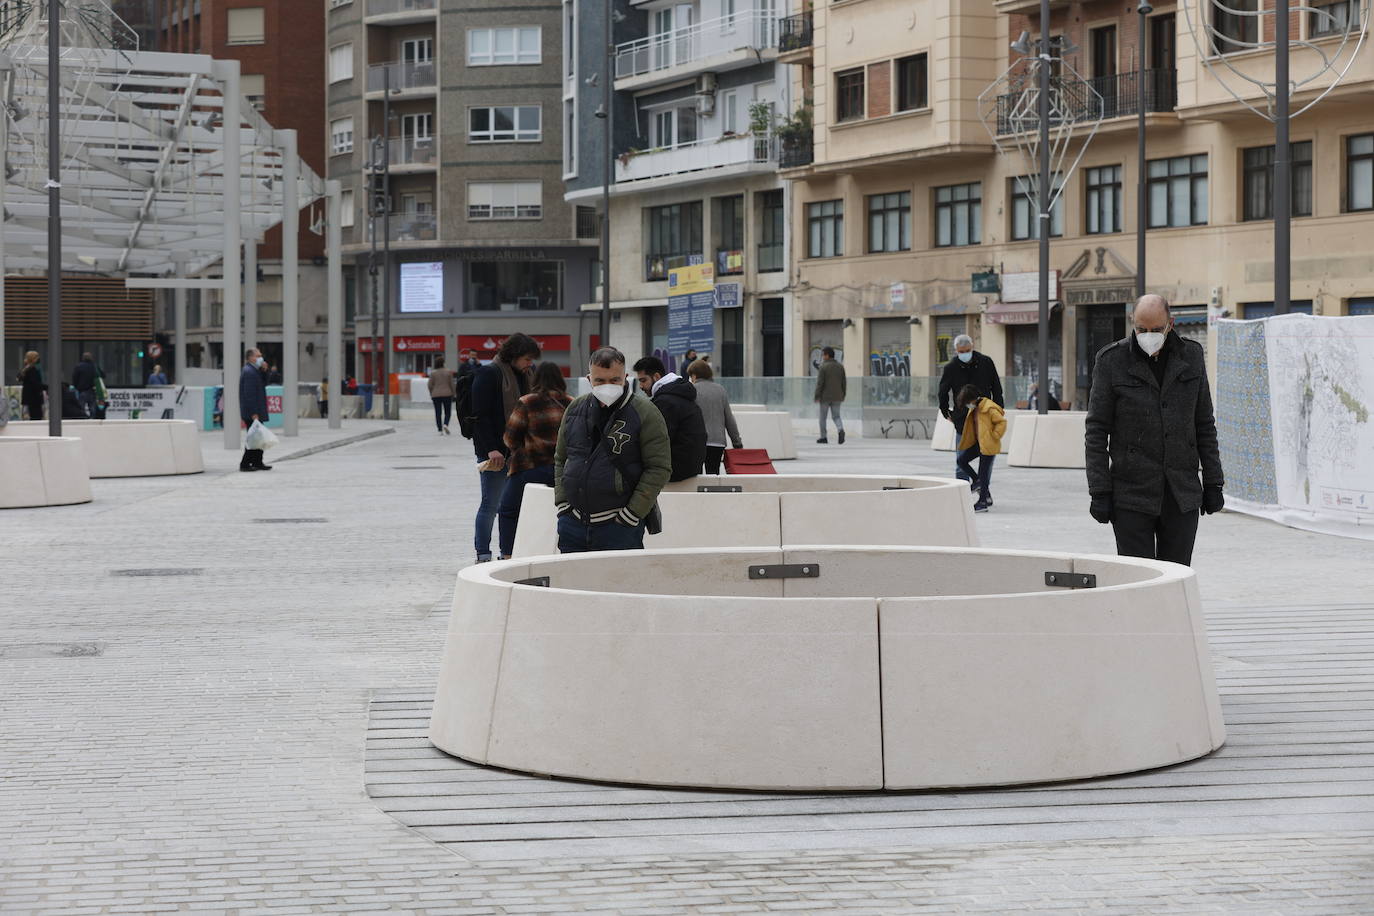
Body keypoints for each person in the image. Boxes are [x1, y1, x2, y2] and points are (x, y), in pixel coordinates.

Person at [1085, 294, 1224, 566]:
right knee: (1138, 577)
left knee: (1176, 576)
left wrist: (1213, 482)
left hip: (1181, 493)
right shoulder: (1111, 361)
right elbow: (1096, 431)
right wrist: (1099, 491)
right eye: (1141, 329)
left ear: (1170, 324)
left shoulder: (1192, 356)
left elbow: (1204, 423)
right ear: (1132, 324)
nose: (1148, 336)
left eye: (1156, 330)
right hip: (1131, 494)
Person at [554, 347, 672, 553]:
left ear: (625, 378)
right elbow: (561, 459)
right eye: (600, 381)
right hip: (573, 524)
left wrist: (631, 514)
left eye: (614, 380)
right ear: (589, 379)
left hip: (620, 528)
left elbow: (659, 468)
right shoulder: (575, 409)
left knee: (618, 584)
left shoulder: (646, 413)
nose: (607, 386)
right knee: (571, 584)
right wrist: (563, 505)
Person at [471, 332, 541, 562]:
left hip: (522, 452)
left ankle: (508, 552)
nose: (530, 364)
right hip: (495, 452)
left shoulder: (526, 375)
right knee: (491, 503)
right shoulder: (489, 373)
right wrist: (492, 448)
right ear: (515, 355)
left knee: (512, 505)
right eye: (527, 359)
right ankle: (483, 553)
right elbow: (480, 416)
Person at [496, 362, 574, 559]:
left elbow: (510, 438)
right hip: (563, 471)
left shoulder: (527, 402)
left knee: (507, 510)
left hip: (530, 468)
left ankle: (508, 555)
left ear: (535, 378)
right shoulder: (571, 403)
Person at [938, 334, 1005, 481]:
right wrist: (945, 412)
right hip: (962, 419)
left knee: (986, 459)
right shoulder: (951, 368)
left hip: (985, 417)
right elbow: (943, 391)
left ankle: (983, 492)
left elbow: (996, 387)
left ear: (972, 347)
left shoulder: (986, 362)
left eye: (967, 350)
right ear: (956, 350)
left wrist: (999, 409)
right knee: (961, 459)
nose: (964, 354)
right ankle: (962, 491)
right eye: (961, 352)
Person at [633, 355, 707, 482]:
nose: (640, 386)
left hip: (675, 470)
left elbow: (657, 440)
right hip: (692, 467)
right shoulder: (679, 395)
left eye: (643, 380)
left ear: (656, 377)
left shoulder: (665, 402)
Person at [955, 383, 1007, 513]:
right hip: (979, 443)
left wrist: (994, 436)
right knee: (961, 460)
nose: (968, 404)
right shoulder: (976, 408)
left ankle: (983, 501)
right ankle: (978, 482)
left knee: (983, 472)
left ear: (973, 398)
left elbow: (1001, 422)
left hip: (988, 444)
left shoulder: (988, 408)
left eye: (968, 401)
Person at [686, 360, 742, 474]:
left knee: (697, 476)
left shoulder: (692, 390)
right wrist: (737, 442)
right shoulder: (720, 390)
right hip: (718, 442)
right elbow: (729, 419)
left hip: (698, 441)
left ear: (694, 375)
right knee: (713, 474)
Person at [239, 348, 272, 472]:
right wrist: (254, 413)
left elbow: (264, 383)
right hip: (252, 413)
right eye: (258, 356)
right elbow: (249, 395)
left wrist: (265, 370)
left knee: (259, 437)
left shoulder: (255, 370)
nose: (261, 358)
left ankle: (257, 462)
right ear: (251, 358)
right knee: (254, 438)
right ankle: (245, 463)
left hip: (256, 411)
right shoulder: (249, 372)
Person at [814, 346, 847, 444]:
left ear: (827, 355)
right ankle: (840, 429)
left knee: (822, 418)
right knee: (836, 416)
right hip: (838, 396)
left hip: (825, 397)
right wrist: (843, 394)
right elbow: (844, 382)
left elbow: (820, 383)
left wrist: (817, 395)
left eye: (823, 355)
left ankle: (823, 437)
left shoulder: (823, 367)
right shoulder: (840, 367)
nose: (823, 357)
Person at [428, 356, 457, 435]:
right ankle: (445, 424)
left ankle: (440, 430)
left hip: (435, 395)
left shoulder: (433, 373)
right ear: (443, 363)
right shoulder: (448, 372)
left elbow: (430, 385)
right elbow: (452, 384)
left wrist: (431, 392)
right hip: (447, 394)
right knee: (447, 412)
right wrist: (454, 394)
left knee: (438, 412)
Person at [72, 352, 100, 418]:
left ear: (83, 358)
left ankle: (82, 418)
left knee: (81, 407)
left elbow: (74, 378)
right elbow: (102, 375)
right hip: (92, 390)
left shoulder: (78, 366)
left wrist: (77, 387)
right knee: (92, 408)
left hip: (82, 390)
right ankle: (92, 419)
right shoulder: (94, 366)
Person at [19, 351, 44, 421]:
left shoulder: (26, 369)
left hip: (27, 400)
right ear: (33, 359)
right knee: (36, 419)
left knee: (27, 418)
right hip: (34, 400)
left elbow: (19, 378)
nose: (39, 359)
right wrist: (46, 387)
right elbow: (36, 384)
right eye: (37, 357)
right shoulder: (33, 370)